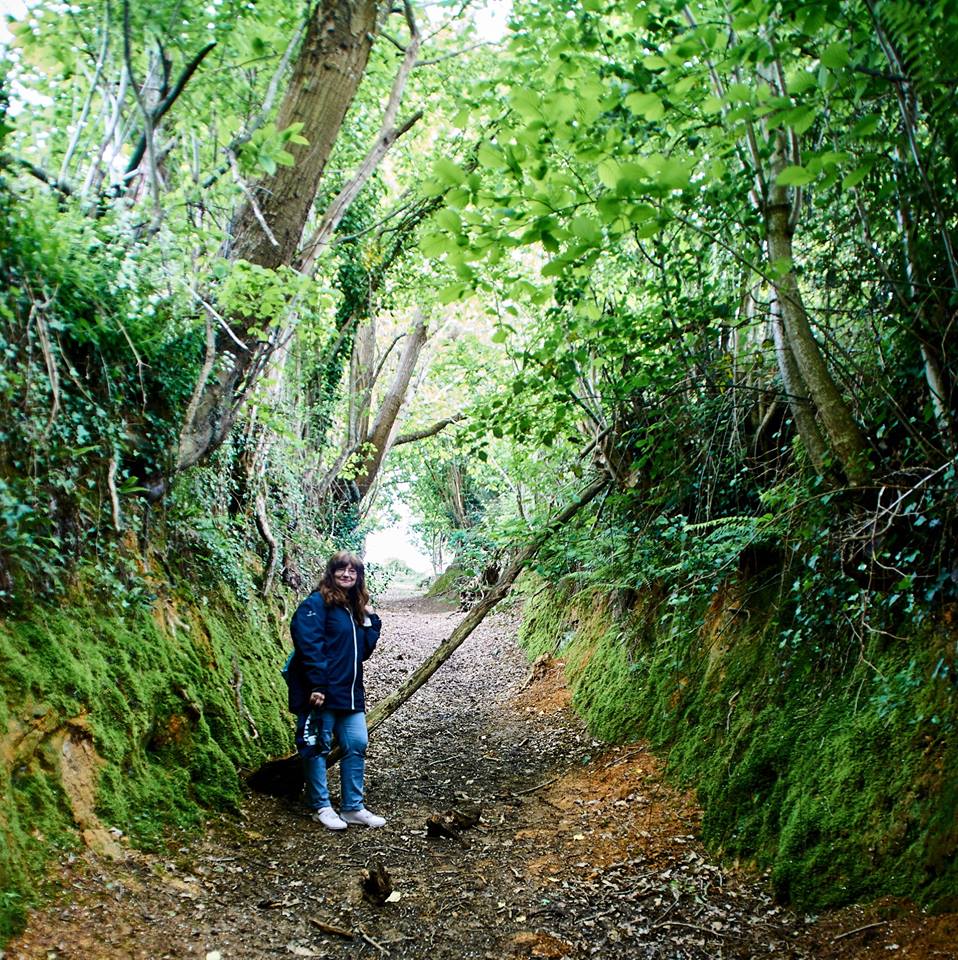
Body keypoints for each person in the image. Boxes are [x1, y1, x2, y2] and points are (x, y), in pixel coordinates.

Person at [286, 551, 386, 830]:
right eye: (342, 570)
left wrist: (370, 619)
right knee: (316, 746)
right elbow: (309, 644)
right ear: (331, 573)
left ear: (358, 577)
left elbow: (363, 651)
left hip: (350, 693)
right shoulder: (316, 604)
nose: (347, 575)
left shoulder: (351, 610)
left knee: (356, 744)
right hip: (321, 692)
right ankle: (321, 806)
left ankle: (353, 807)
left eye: (353, 572)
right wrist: (317, 684)